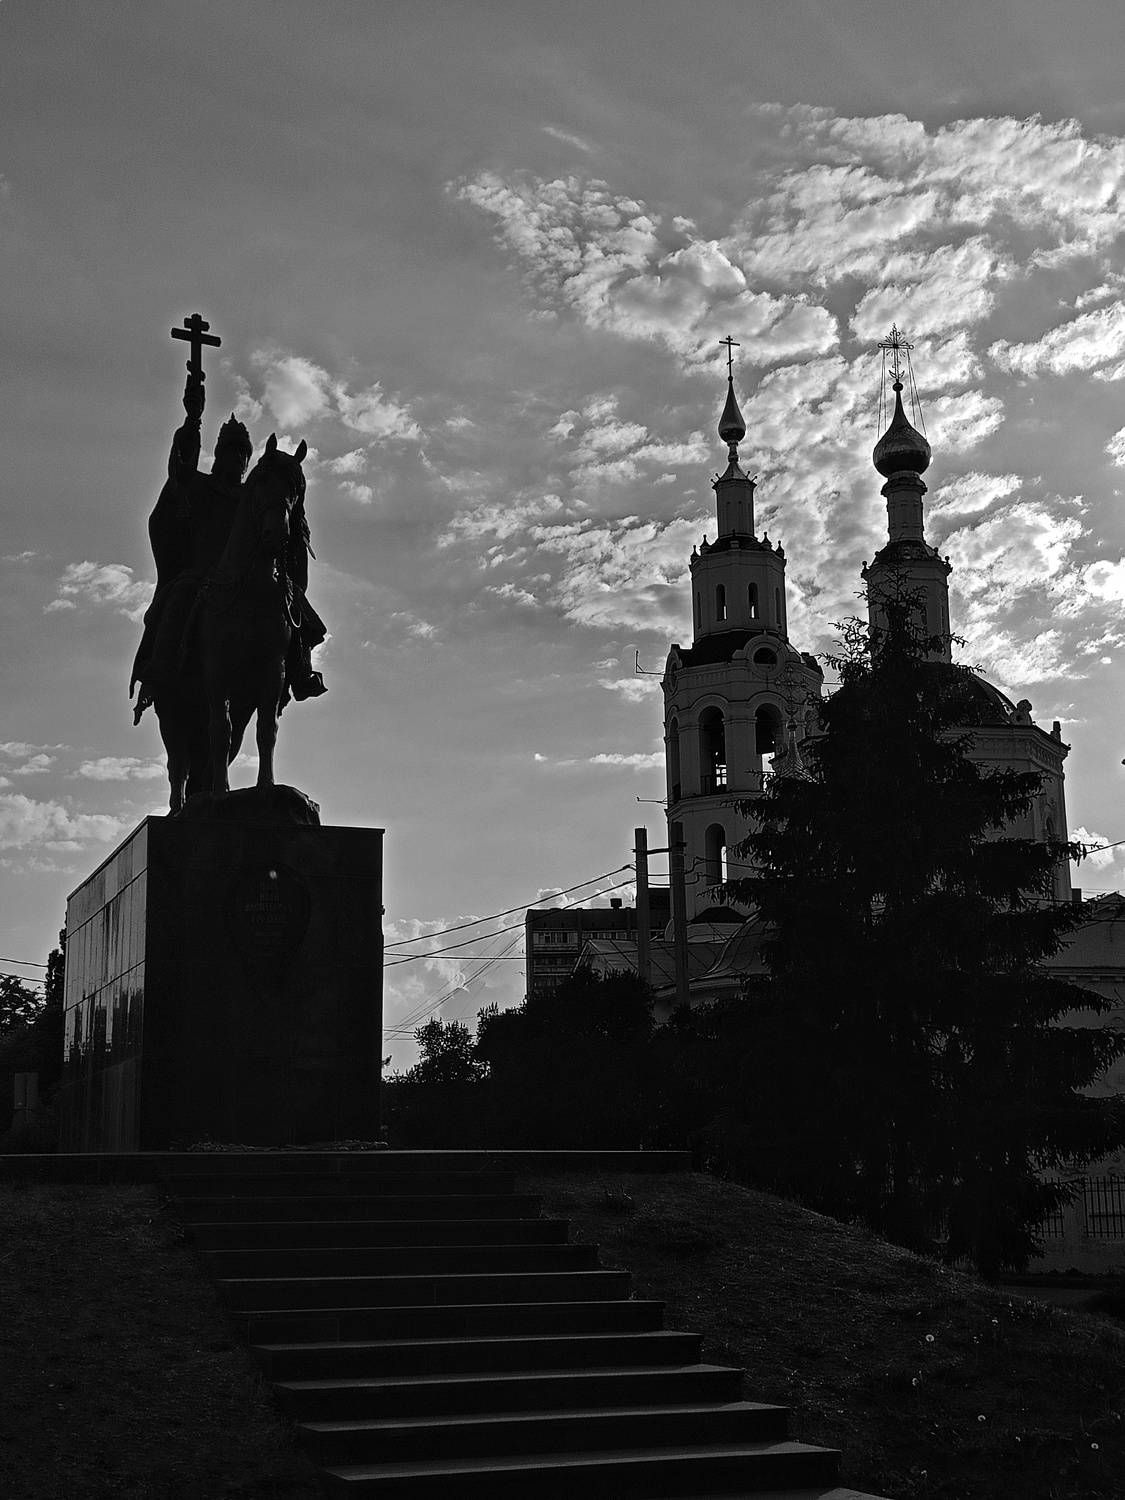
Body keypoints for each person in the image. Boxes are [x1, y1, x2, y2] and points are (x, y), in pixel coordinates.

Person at [131, 373, 326, 721]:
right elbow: (180, 473)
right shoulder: (200, 487)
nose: (236, 459)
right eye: (230, 452)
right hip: (203, 575)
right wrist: (193, 420)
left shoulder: (252, 498)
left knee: (295, 608)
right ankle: (159, 668)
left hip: (249, 577)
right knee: (180, 596)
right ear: (218, 455)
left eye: (241, 454)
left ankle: (300, 670)